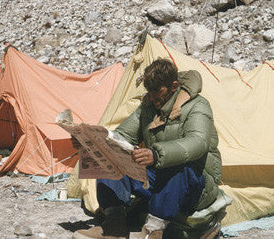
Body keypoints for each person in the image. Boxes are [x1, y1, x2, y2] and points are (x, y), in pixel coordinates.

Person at [73, 59, 223, 239]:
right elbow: (123, 136)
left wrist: (156, 154)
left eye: (157, 91)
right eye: (149, 92)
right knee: (110, 154)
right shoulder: (148, 106)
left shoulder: (198, 106)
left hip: (196, 184)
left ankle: (153, 231)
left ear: (173, 86)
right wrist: (91, 141)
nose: (152, 97)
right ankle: (114, 226)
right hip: (158, 177)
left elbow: (198, 143)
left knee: (181, 168)